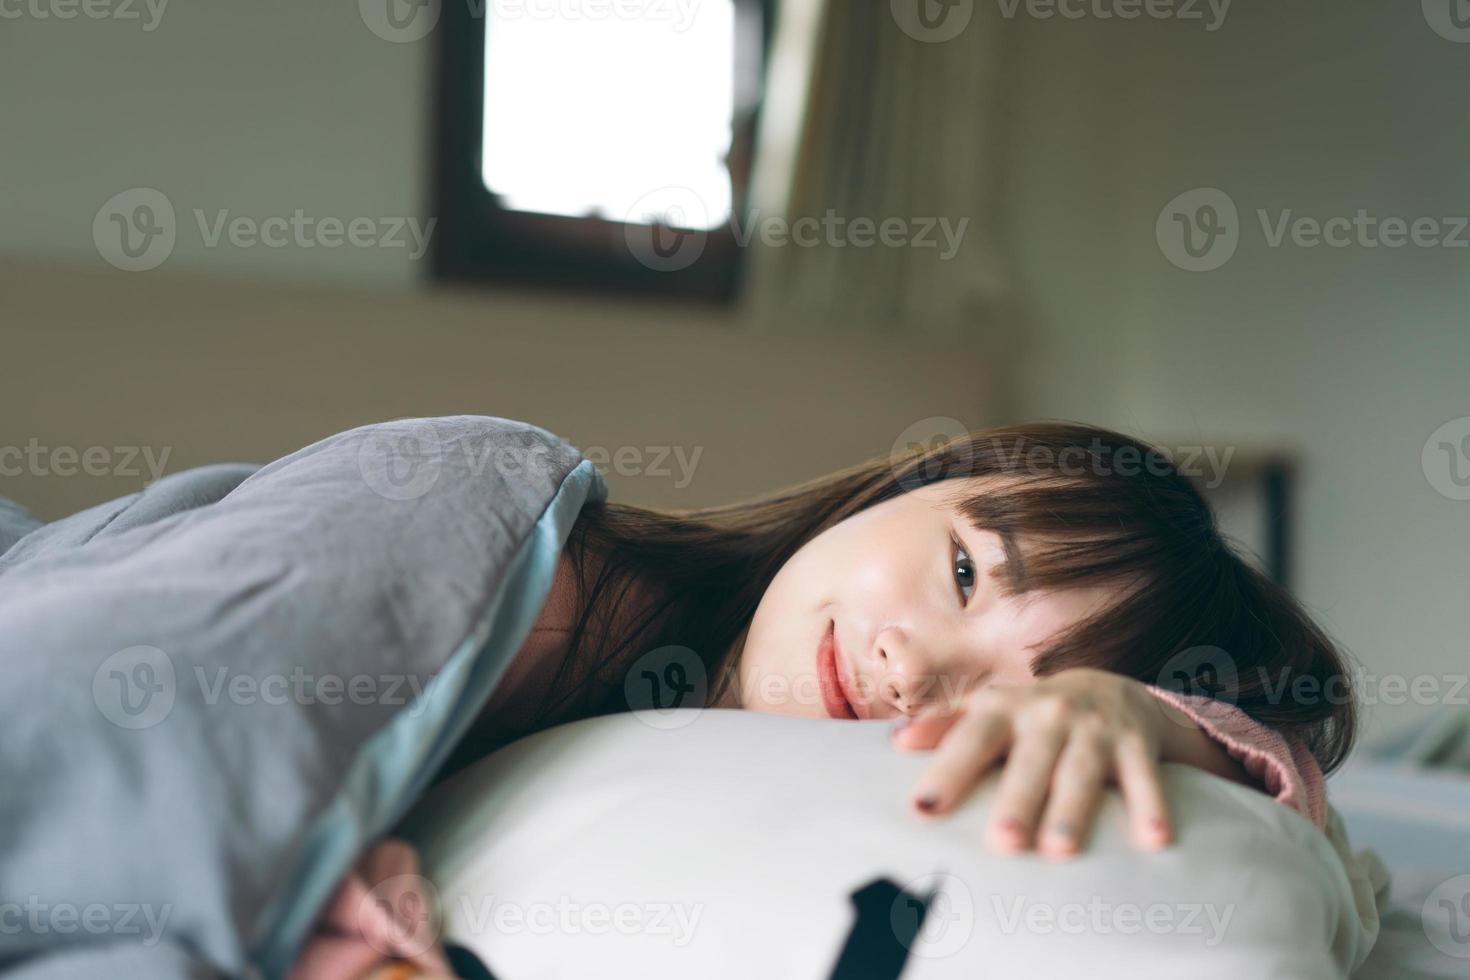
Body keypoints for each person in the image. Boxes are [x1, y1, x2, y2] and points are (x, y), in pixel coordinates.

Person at [290, 422, 1355, 980]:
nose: (907, 661)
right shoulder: (551, 590)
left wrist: (1153, 719)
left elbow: (1297, 806)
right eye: (968, 571)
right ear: (910, 485)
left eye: (1014, 690)